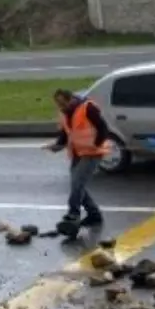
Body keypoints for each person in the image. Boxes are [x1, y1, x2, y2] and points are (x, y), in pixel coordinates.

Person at [45, 88, 111, 227]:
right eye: (58, 104)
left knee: (77, 184)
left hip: (92, 153)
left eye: (63, 103)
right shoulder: (64, 113)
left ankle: (73, 213)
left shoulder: (88, 108)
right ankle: (94, 214)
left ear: (71, 99)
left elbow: (103, 128)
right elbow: (66, 132)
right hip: (77, 153)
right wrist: (58, 145)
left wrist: (96, 144)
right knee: (78, 185)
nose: (61, 107)